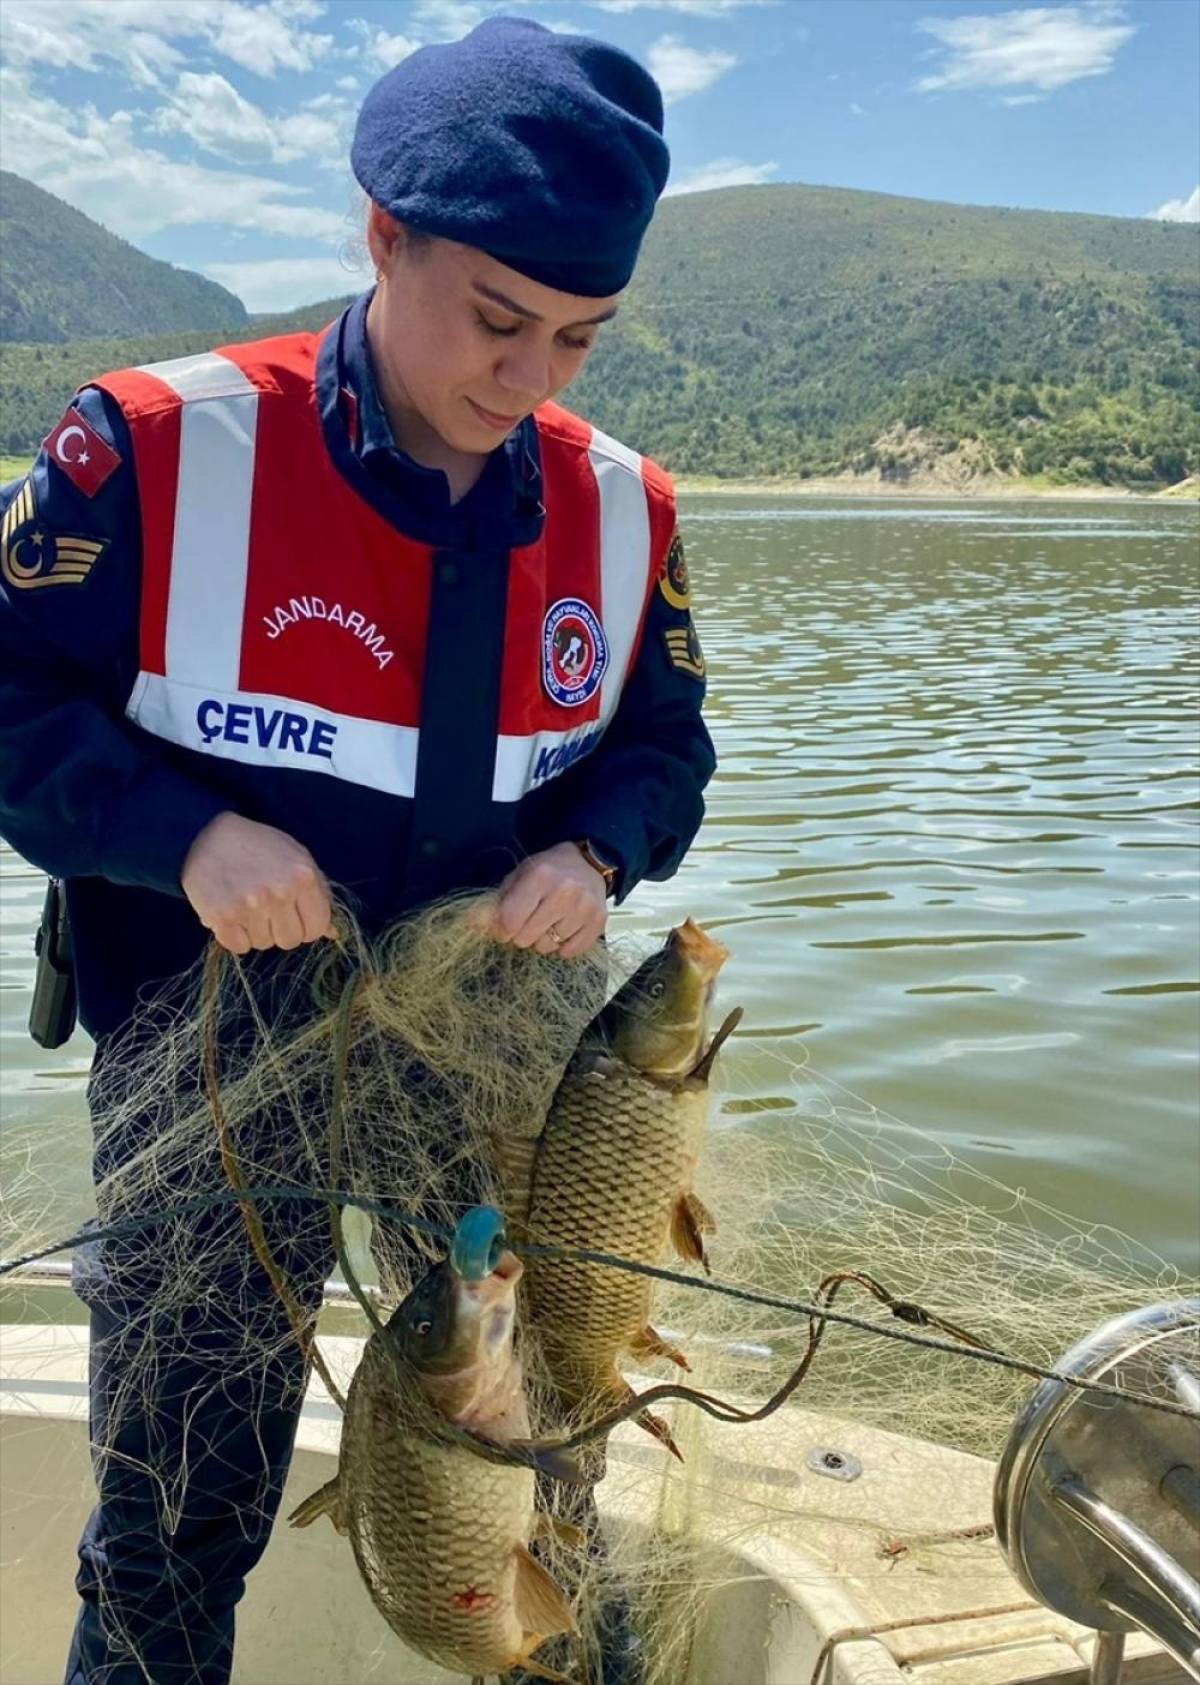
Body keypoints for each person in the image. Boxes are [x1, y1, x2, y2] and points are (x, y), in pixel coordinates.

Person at [0, 16, 714, 1684]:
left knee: (538, 1444)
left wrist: (596, 856)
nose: (530, 382)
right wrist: (183, 836)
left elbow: (665, 749)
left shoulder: (626, 509)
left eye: (580, 339)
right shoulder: (151, 448)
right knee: (181, 1495)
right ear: (382, 237)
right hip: (212, 1063)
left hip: (488, 1056)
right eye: (497, 320)